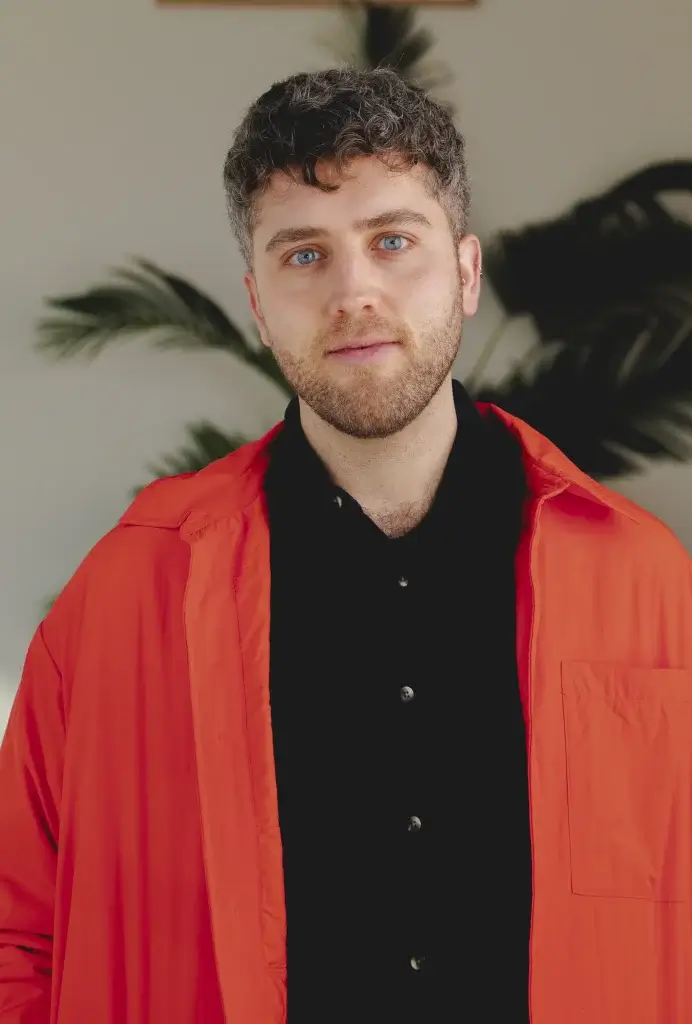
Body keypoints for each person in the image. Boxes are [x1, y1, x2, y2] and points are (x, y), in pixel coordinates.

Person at [1, 66, 691, 1024]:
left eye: (392, 241)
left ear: (466, 271)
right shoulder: (132, 589)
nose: (352, 292)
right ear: (255, 298)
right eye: (303, 255)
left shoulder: (648, 583)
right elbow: (17, 935)